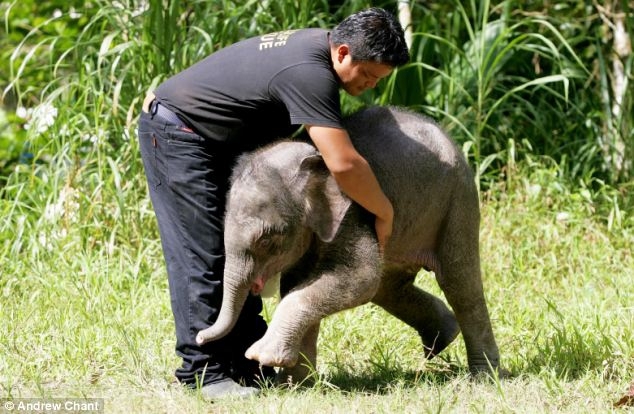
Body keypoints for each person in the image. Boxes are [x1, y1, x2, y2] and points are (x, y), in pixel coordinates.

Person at [137, 7, 409, 400]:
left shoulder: (320, 53)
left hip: (215, 140)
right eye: (367, 74)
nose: (369, 85)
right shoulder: (311, 73)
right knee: (205, 256)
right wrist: (385, 212)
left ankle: (246, 363)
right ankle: (204, 372)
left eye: (377, 80)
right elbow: (344, 163)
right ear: (344, 51)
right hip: (179, 133)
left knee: (245, 253)